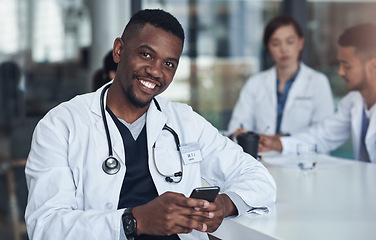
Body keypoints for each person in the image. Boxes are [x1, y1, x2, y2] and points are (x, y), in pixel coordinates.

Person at [25, 9, 276, 240]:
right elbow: (46, 225)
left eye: (169, 64)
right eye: (146, 54)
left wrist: (225, 204)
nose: (156, 72)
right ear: (119, 50)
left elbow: (257, 177)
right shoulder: (60, 126)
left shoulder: (184, 121)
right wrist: (135, 221)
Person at [259, 23, 376, 163]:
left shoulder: (319, 82)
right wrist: (275, 144)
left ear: (372, 66)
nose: (340, 72)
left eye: (347, 66)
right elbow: (321, 136)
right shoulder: (353, 102)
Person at [227, 15, 334, 140]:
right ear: (268, 47)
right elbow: (236, 127)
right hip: (259, 156)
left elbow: (324, 133)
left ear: (300, 43)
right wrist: (241, 134)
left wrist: (279, 140)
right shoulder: (255, 83)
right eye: (276, 43)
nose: (284, 49)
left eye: (290, 42)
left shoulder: (318, 82)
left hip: (301, 156)